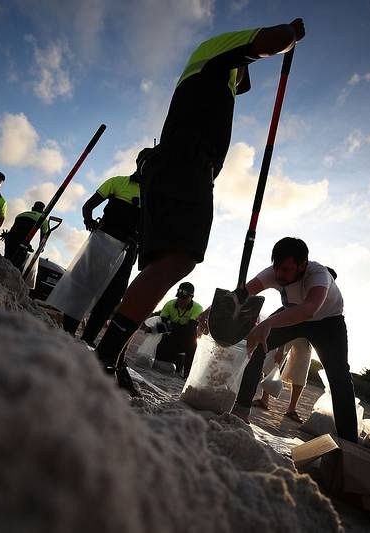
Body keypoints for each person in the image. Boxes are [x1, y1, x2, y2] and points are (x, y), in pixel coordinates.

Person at [93, 20, 307, 388]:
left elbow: (242, 83)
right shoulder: (214, 54)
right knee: (179, 259)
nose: (243, 83)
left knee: (164, 265)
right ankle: (104, 356)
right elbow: (273, 40)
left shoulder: (214, 80)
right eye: (244, 71)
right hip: (185, 162)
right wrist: (290, 36)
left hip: (174, 165)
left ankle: (110, 355)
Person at [221, 237, 357, 442]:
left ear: (302, 265)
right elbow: (242, 293)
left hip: (328, 322)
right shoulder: (275, 272)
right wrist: (213, 309)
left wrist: (268, 323)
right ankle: (241, 410)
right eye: (277, 268)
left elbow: (310, 309)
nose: (279, 275)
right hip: (292, 312)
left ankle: (349, 442)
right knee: (258, 344)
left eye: (286, 270)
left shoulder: (319, 274)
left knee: (339, 376)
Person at [62, 164, 142, 345]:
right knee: (83, 285)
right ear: (139, 164)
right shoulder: (117, 182)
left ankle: (88, 338)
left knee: (113, 294)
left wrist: (137, 240)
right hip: (102, 242)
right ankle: (67, 331)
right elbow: (88, 205)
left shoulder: (154, 193)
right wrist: (88, 221)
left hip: (127, 249)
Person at [147, 282, 203, 378]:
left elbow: (189, 329)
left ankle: (187, 373)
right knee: (160, 349)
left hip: (186, 338)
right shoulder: (170, 304)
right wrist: (152, 329)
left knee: (192, 344)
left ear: (191, 297)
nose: (181, 301)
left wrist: (170, 326)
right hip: (171, 336)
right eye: (179, 298)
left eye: (184, 299)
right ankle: (178, 361)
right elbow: (162, 325)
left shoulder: (197, 308)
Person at [253, 336, 312, 424]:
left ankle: (291, 409)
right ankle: (264, 399)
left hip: (307, 336)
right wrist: (280, 349)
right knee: (273, 361)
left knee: (301, 370)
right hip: (289, 328)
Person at [3, 201, 50, 268]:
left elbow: (15, 230)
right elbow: (43, 238)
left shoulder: (21, 214)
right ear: (42, 211)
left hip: (9, 240)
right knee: (15, 266)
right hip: (22, 244)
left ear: (32, 208)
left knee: (6, 260)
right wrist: (41, 247)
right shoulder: (43, 220)